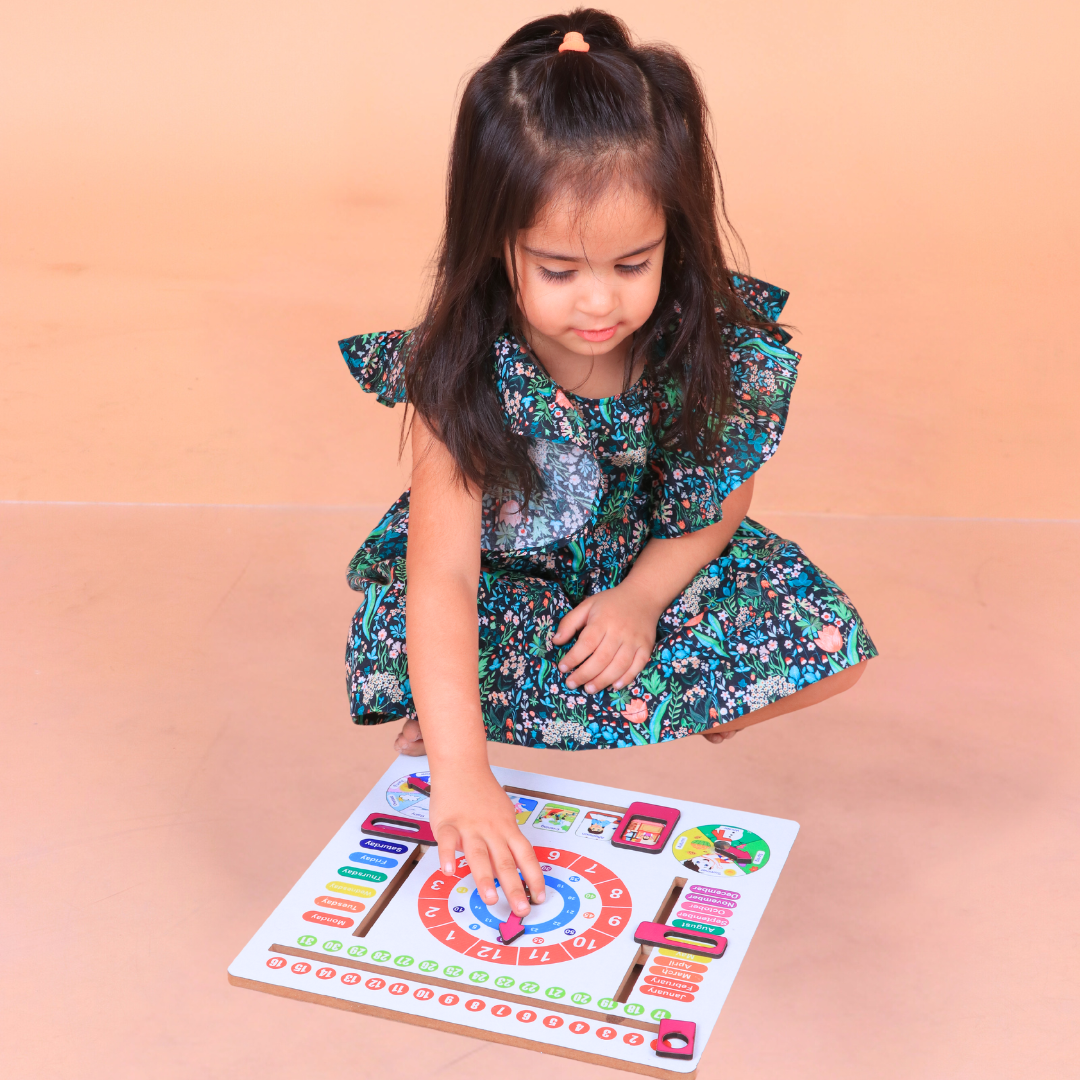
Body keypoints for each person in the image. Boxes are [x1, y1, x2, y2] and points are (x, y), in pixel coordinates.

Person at [338, 9, 877, 919]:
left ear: (675, 233)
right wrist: (465, 778)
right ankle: (472, 722)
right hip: (513, 587)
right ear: (494, 245)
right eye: (557, 270)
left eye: (634, 263)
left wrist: (642, 600)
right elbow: (444, 576)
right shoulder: (463, 368)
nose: (600, 302)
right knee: (433, 663)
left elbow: (718, 501)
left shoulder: (703, 342)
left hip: (644, 564)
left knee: (833, 645)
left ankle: (638, 693)